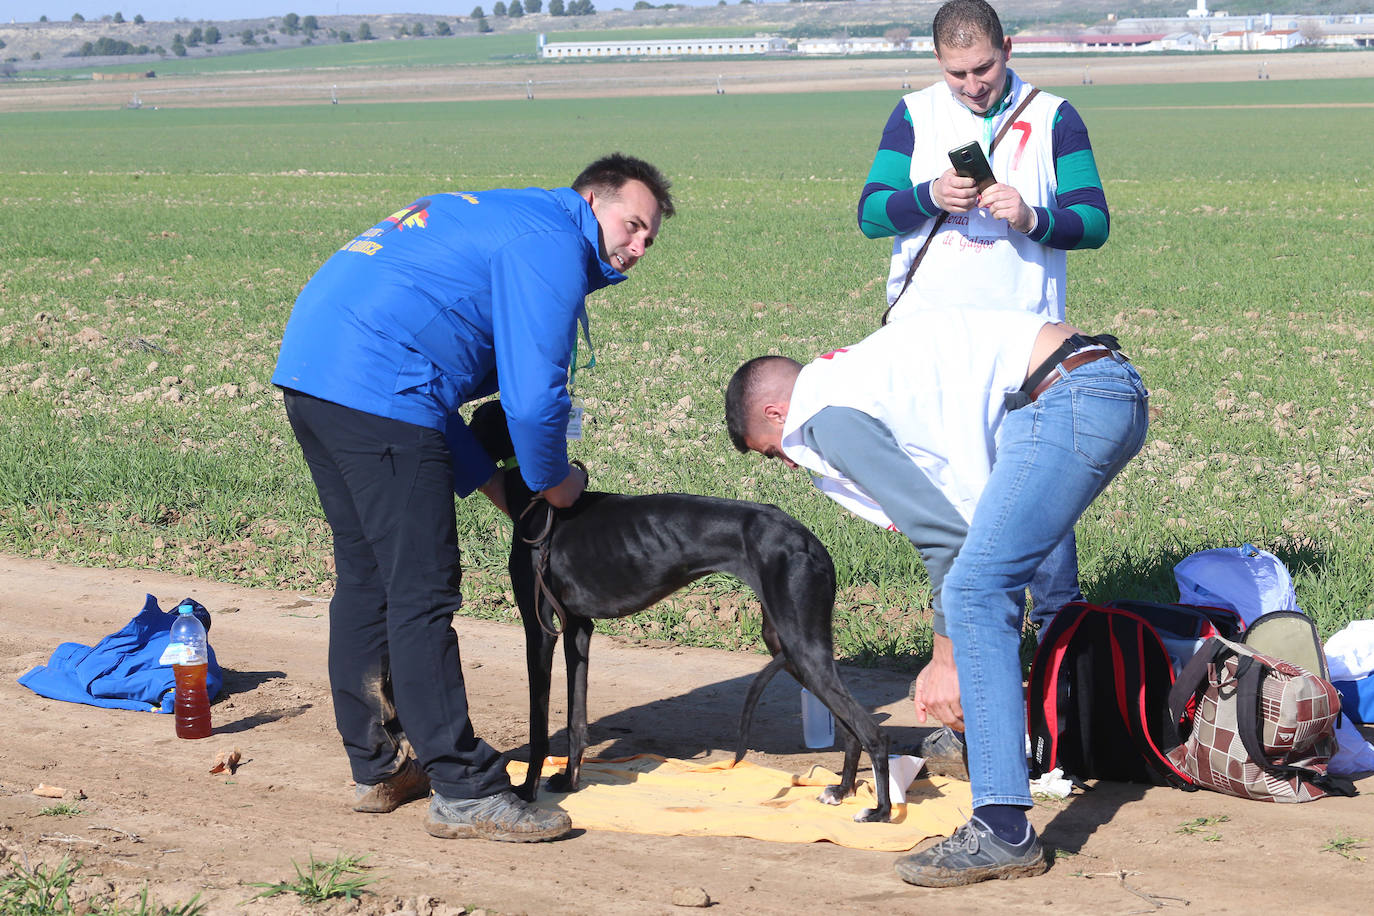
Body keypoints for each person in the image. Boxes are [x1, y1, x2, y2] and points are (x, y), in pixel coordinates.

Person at [272, 154, 674, 843]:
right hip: (379, 386)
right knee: (423, 591)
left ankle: (380, 766)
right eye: (632, 225)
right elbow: (532, 396)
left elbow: (434, 393)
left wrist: (499, 487)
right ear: (591, 200)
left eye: (650, 240)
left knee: (370, 577)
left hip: (319, 377)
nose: (637, 249)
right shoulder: (549, 243)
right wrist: (555, 484)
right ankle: (463, 790)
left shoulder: (512, 217)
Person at [725, 308, 1147, 885]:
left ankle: (1002, 829)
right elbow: (964, 528)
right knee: (984, 579)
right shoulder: (855, 378)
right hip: (1084, 387)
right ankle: (996, 744)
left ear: (777, 413)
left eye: (771, 449)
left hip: (1071, 397)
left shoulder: (819, 416)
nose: (786, 459)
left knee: (974, 591)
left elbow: (943, 538)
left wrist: (945, 660)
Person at [856, 0, 1112, 767]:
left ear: (1009, 48)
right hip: (932, 358)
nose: (970, 85)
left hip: (1026, 357)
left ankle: (1067, 712)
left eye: (984, 68)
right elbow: (871, 213)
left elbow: (1094, 220)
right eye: (955, 72)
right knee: (961, 533)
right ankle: (973, 712)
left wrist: (1034, 216)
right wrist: (928, 197)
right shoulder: (911, 116)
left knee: (1044, 537)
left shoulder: (1057, 116)